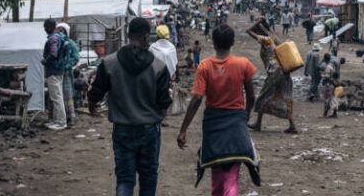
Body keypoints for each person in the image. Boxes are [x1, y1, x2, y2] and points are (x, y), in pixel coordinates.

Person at [89, 18, 172, 196]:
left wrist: (92, 105)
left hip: (122, 129)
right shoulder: (158, 66)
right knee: (148, 178)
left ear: (128, 36)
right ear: (145, 38)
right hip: (149, 130)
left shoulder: (109, 63)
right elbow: (164, 101)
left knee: (125, 179)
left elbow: (95, 92)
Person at [177, 24, 260, 196]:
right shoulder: (243, 64)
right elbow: (251, 97)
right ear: (233, 42)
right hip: (236, 122)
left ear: (213, 43)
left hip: (213, 123)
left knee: (217, 172)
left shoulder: (205, 67)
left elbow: (197, 99)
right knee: (231, 175)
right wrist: (245, 116)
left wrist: (183, 130)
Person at [247, 19, 297, 134]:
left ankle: (258, 123)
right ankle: (292, 125)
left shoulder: (265, 40)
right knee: (286, 96)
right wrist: (263, 24)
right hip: (284, 70)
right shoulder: (274, 38)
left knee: (263, 95)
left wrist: (257, 22)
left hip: (275, 71)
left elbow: (248, 31)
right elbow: (268, 30)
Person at [42, 20, 79, 130]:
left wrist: (45, 61)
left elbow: (53, 54)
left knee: (57, 97)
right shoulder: (60, 38)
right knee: (57, 96)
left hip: (53, 71)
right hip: (59, 70)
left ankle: (61, 122)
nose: (44, 29)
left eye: (45, 26)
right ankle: (57, 120)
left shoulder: (53, 38)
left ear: (50, 26)